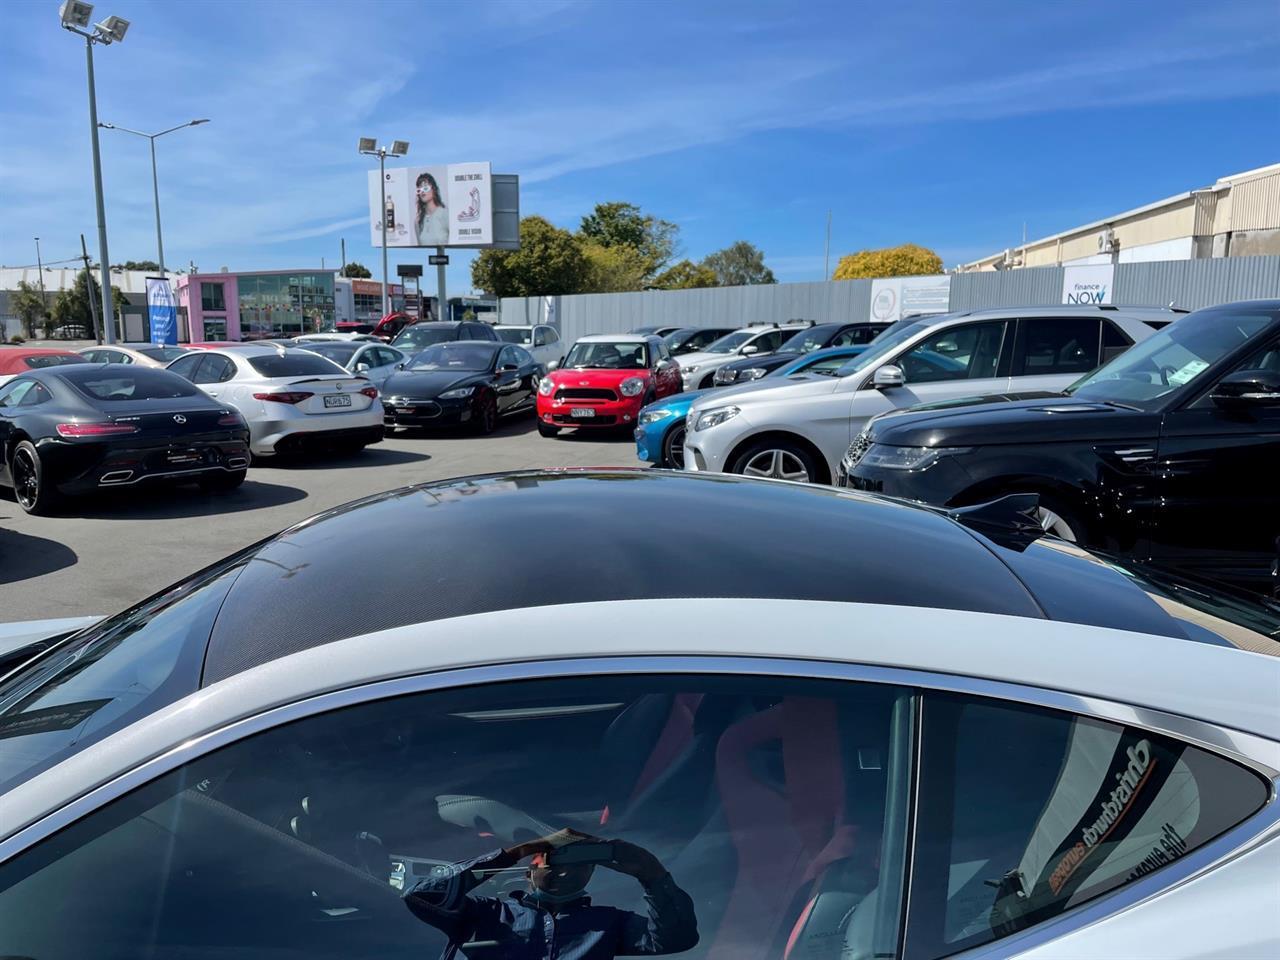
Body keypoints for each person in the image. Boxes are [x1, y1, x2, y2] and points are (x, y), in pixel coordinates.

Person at [403, 828, 698, 959]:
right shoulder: (485, 915)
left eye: (580, 864)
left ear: (593, 872)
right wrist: (517, 851)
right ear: (528, 869)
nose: (567, 872)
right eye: (554, 862)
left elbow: (676, 940)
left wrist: (653, 876)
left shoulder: (608, 923)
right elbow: (422, 897)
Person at [417, 171, 450, 246]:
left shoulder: (444, 214)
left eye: (425, 188)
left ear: (433, 189)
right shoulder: (418, 220)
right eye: (419, 189)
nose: (422, 192)